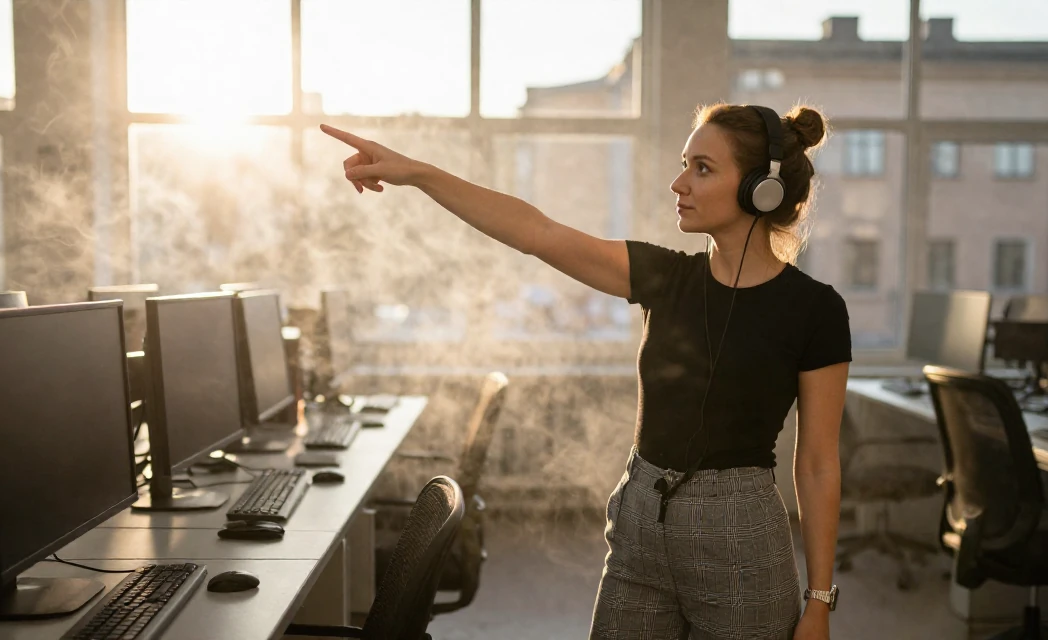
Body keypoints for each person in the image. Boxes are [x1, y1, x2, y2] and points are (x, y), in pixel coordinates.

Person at [320, 101, 850, 640]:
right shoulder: (665, 278)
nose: (678, 182)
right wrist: (418, 173)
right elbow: (536, 231)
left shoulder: (816, 310)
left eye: (702, 168)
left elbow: (817, 465)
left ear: (761, 188)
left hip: (742, 539)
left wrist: (819, 602)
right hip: (641, 522)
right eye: (684, 163)